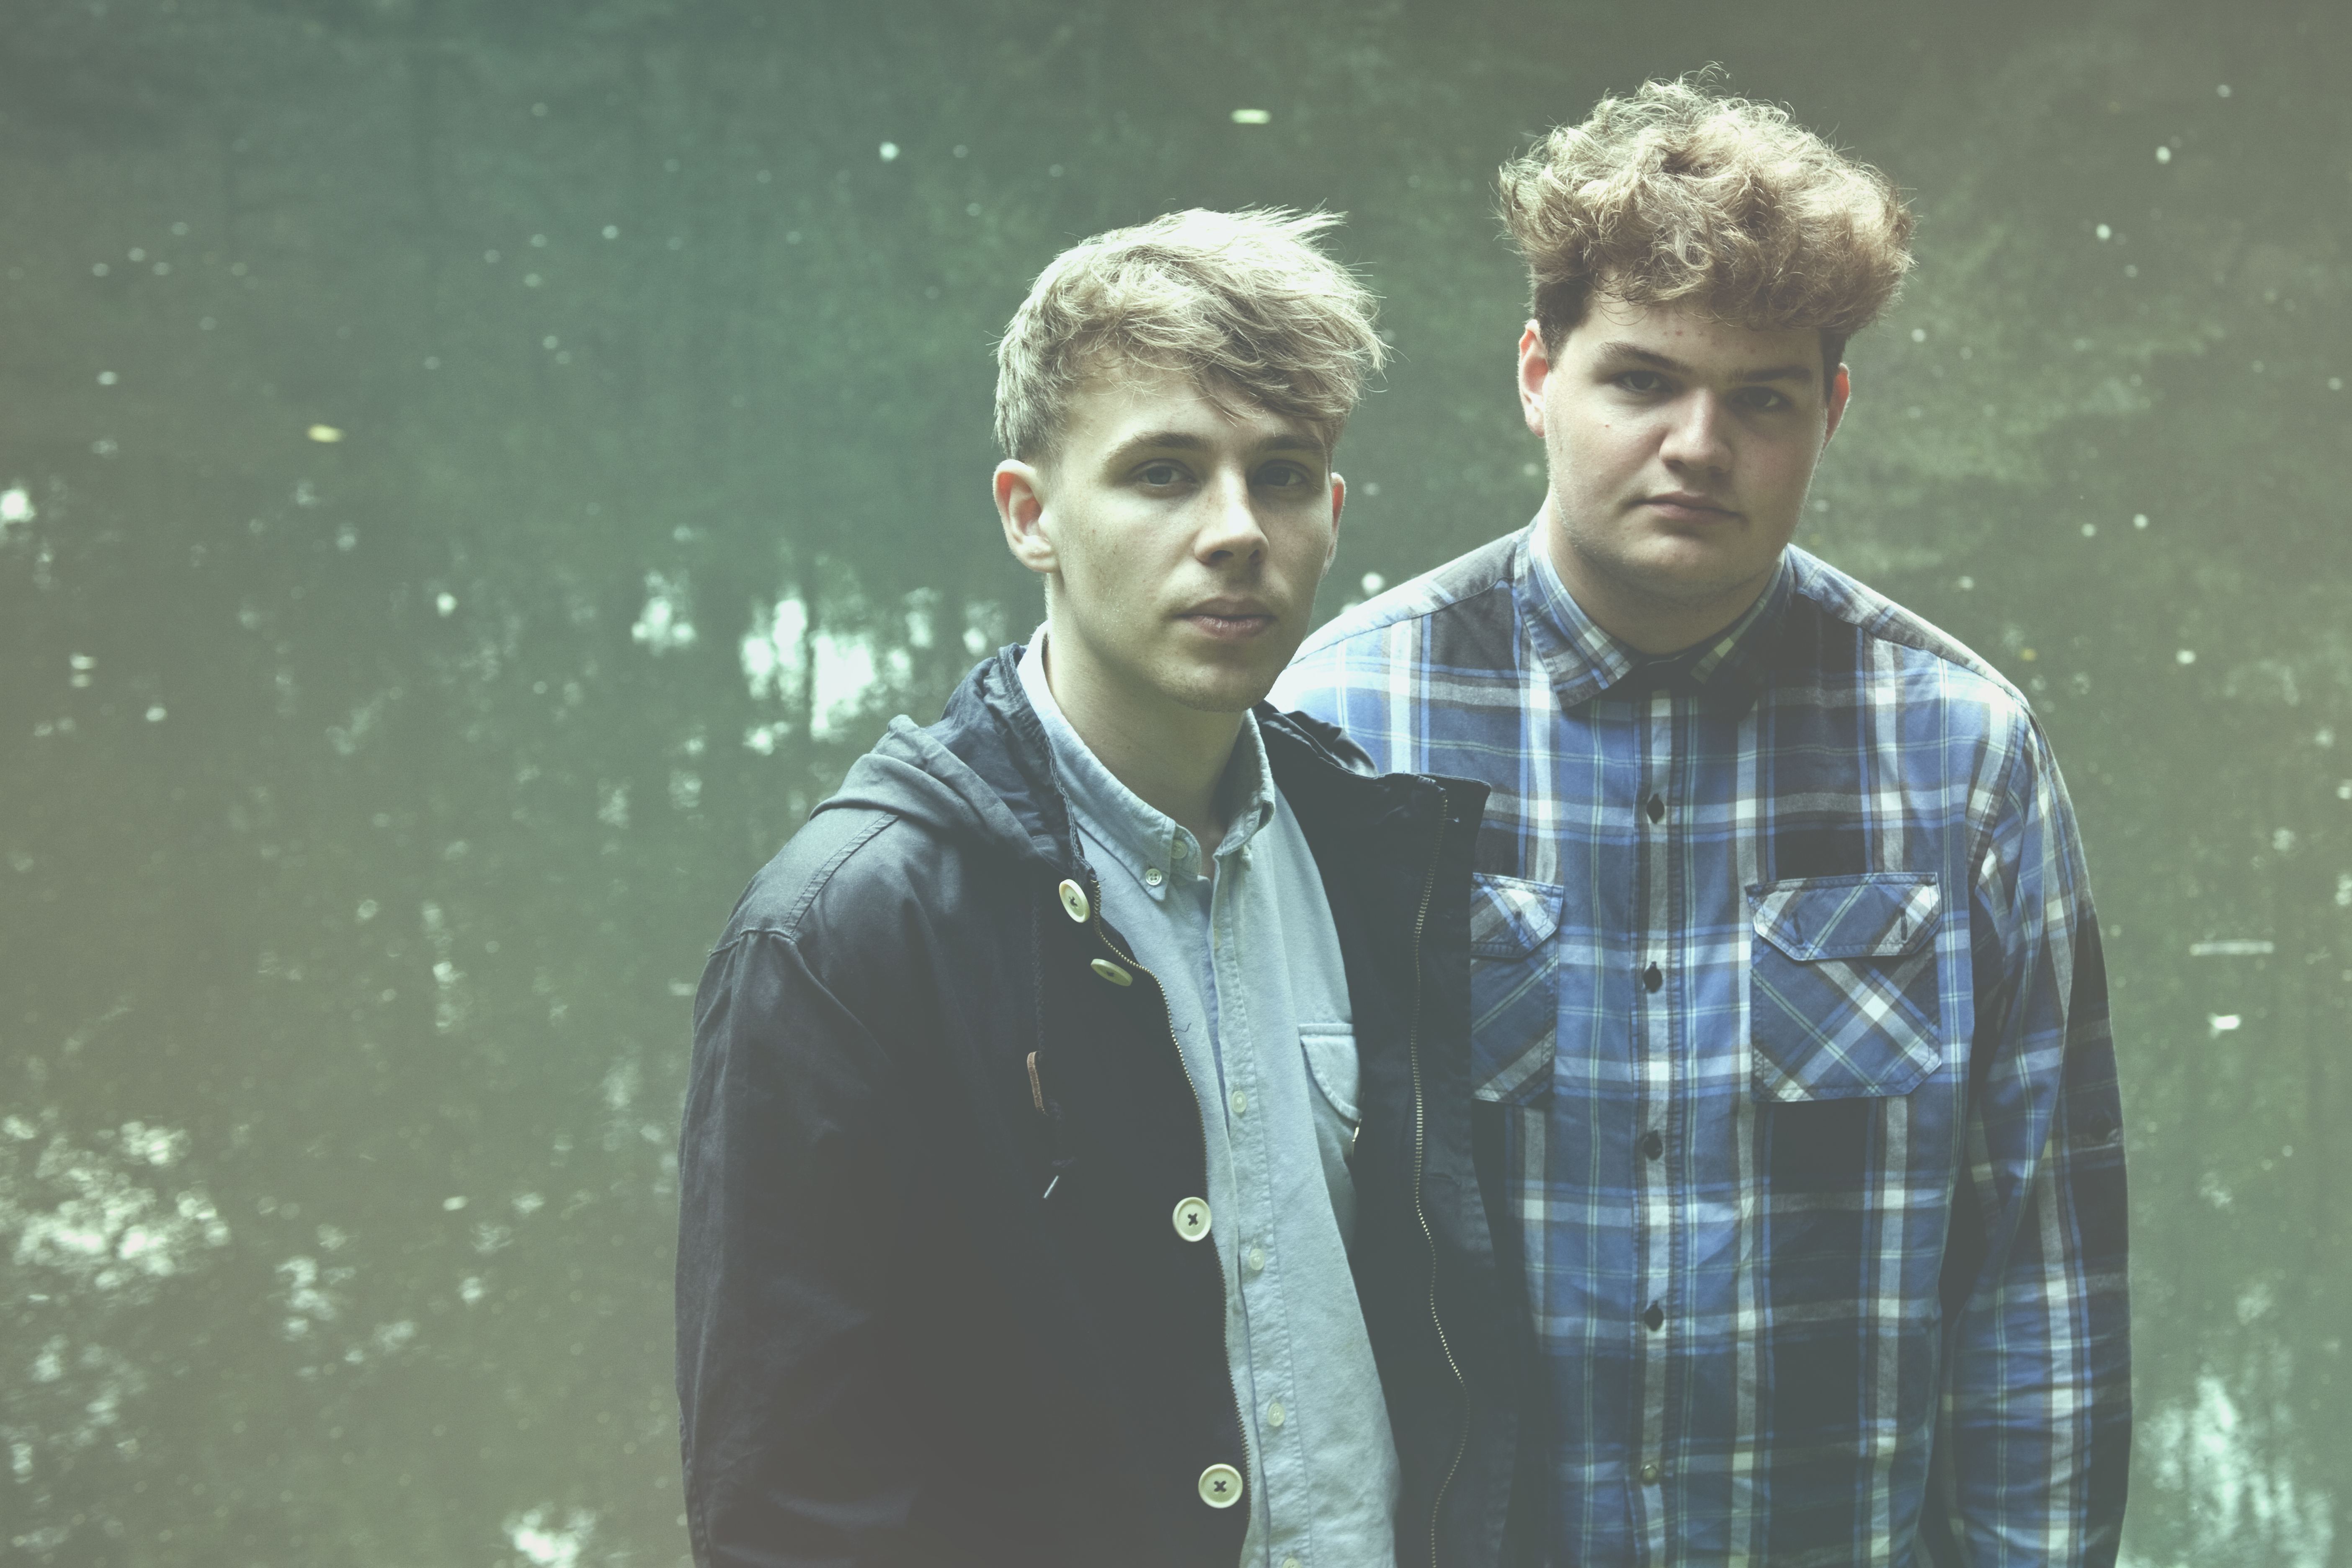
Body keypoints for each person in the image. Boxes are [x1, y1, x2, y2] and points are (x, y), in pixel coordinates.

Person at [1274, 80, 2131, 1566]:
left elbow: (2039, 1275)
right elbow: (1262, 1242)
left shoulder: (1965, 758)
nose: (1697, 443)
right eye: (1641, 380)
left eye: (1761, 399)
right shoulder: (1341, 729)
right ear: (1538, 374)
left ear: (1831, 415)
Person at [676, 208, 1524, 1568]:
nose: (1236, 531)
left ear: (1332, 517)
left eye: (1283, 475)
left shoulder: (1377, 855)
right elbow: (791, 1507)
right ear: (1033, 517)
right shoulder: (845, 932)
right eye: (1164, 474)